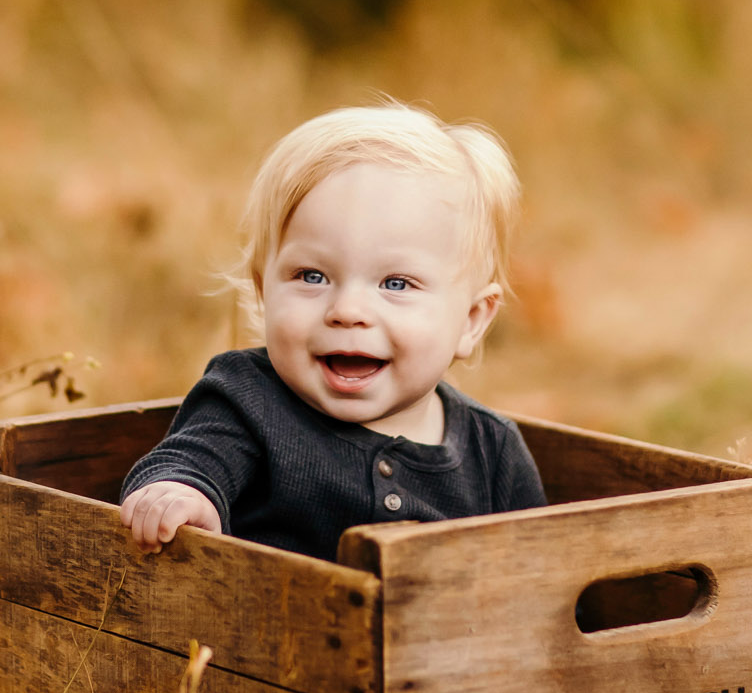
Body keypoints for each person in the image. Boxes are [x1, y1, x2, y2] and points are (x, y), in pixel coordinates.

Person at [118, 103, 546, 563]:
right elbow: (193, 459)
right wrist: (180, 493)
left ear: (471, 320)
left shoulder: (493, 451)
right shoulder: (249, 399)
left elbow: (546, 575)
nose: (347, 311)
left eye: (395, 284)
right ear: (265, 291)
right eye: (312, 276)